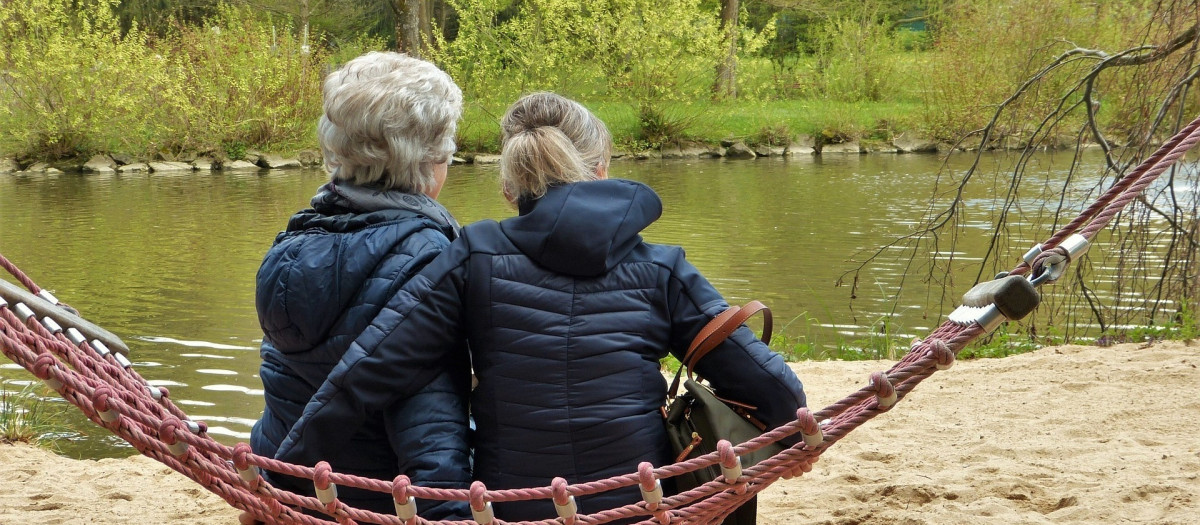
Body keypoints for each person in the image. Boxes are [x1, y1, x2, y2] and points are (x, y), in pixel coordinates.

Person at [275, 92, 806, 521]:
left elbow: (368, 372)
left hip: (517, 512)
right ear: (601, 171)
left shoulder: (471, 256)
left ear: (510, 189)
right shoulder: (662, 268)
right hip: (641, 505)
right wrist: (801, 440)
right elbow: (772, 389)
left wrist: (276, 474)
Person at [249, 51, 470, 519]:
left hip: (290, 481)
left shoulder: (292, 241)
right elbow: (430, 426)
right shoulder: (431, 257)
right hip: (376, 499)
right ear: (431, 160)